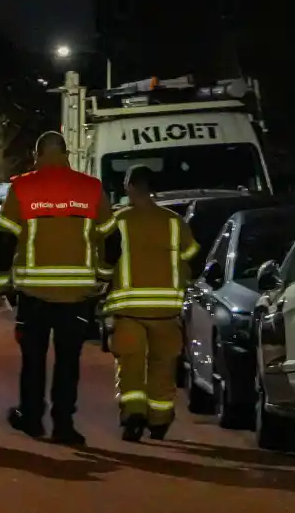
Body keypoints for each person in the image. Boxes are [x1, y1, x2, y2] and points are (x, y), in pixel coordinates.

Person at [0, 131, 113, 446]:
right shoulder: (90, 188)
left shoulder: (23, 187)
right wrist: (103, 277)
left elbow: (4, 241)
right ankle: (63, 425)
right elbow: (112, 240)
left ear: (37, 155)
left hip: (34, 294)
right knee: (68, 361)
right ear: (66, 153)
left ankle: (31, 419)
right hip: (77, 295)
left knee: (33, 359)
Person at [97, 165, 199, 442]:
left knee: (130, 366)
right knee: (163, 367)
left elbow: (104, 261)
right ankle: (159, 420)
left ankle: (133, 414)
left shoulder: (118, 221)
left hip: (129, 310)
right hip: (166, 311)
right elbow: (191, 256)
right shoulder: (174, 222)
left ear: (128, 186)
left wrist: (100, 287)